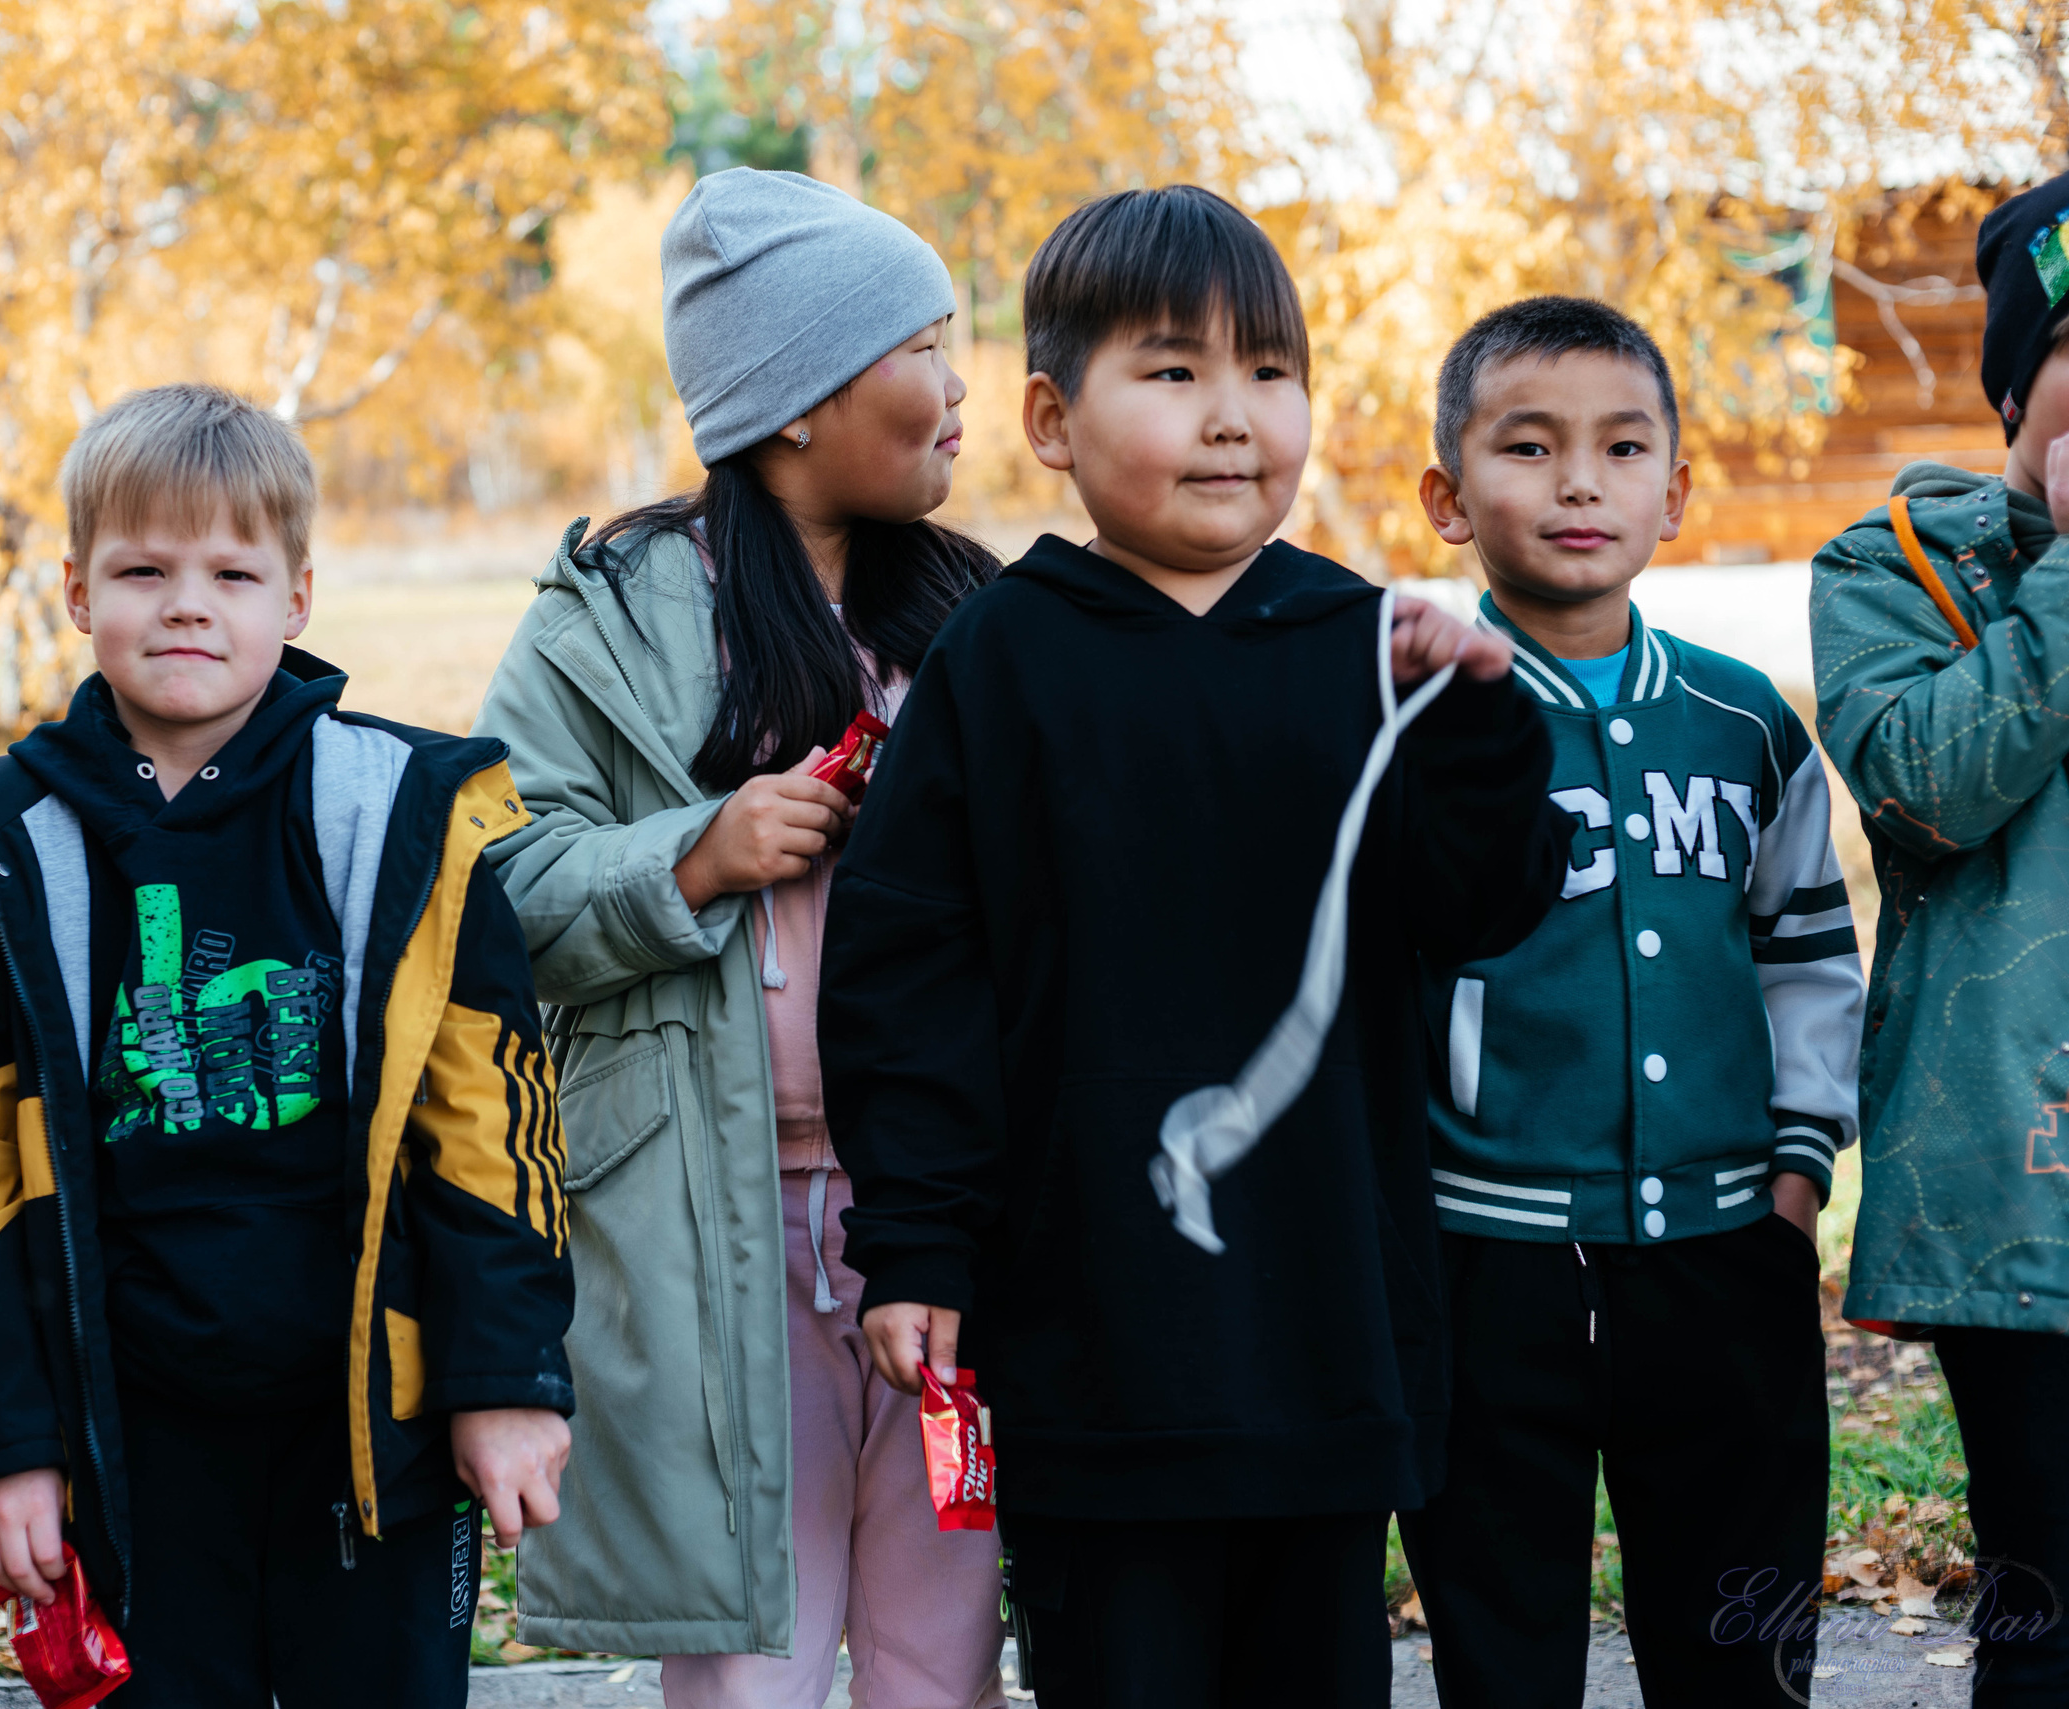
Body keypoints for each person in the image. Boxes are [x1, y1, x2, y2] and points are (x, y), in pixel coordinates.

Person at [816, 186, 1570, 1708]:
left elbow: (1480, 900)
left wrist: (1486, 725)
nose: (1234, 419)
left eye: (1269, 372)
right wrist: (919, 1240)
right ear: (1049, 413)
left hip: (1324, 1319)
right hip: (1093, 1330)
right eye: (1174, 373)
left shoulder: (1364, 644)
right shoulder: (1001, 662)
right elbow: (911, 977)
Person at [0, 383, 574, 1709]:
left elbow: (491, 1120)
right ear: (79, 590)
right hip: (127, 1433)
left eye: (231, 571)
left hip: (371, 1422)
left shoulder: (405, 817)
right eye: (144, 569)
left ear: (298, 595)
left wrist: (505, 1379)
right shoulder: (4, 847)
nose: (187, 603)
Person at [472, 167, 1009, 1705]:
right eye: (921, 345)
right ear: (792, 406)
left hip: (938, 1220)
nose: (958, 384)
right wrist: (696, 858)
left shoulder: (977, 621)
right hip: (703, 1227)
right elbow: (499, 889)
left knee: (941, 1644)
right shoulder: (611, 618)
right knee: (745, 1660)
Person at [1391, 297, 1864, 1707]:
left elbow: (1805, 954)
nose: (1580, 481)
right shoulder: (1402, 717)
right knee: (1504, 1649)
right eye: (1528, 447)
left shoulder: (1743, 722)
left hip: (1726, 1254)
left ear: (1677, 486)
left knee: (1739, 1651)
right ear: (1449, 496)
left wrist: (1794, 1174)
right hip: (1487, 1260)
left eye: (1621, 446)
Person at [1808, 173, 2069, 1705]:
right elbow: (1926, 785)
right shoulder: (1900, 564)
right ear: (2018, 389)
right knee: (2043, 1583)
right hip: (2012, 1191)